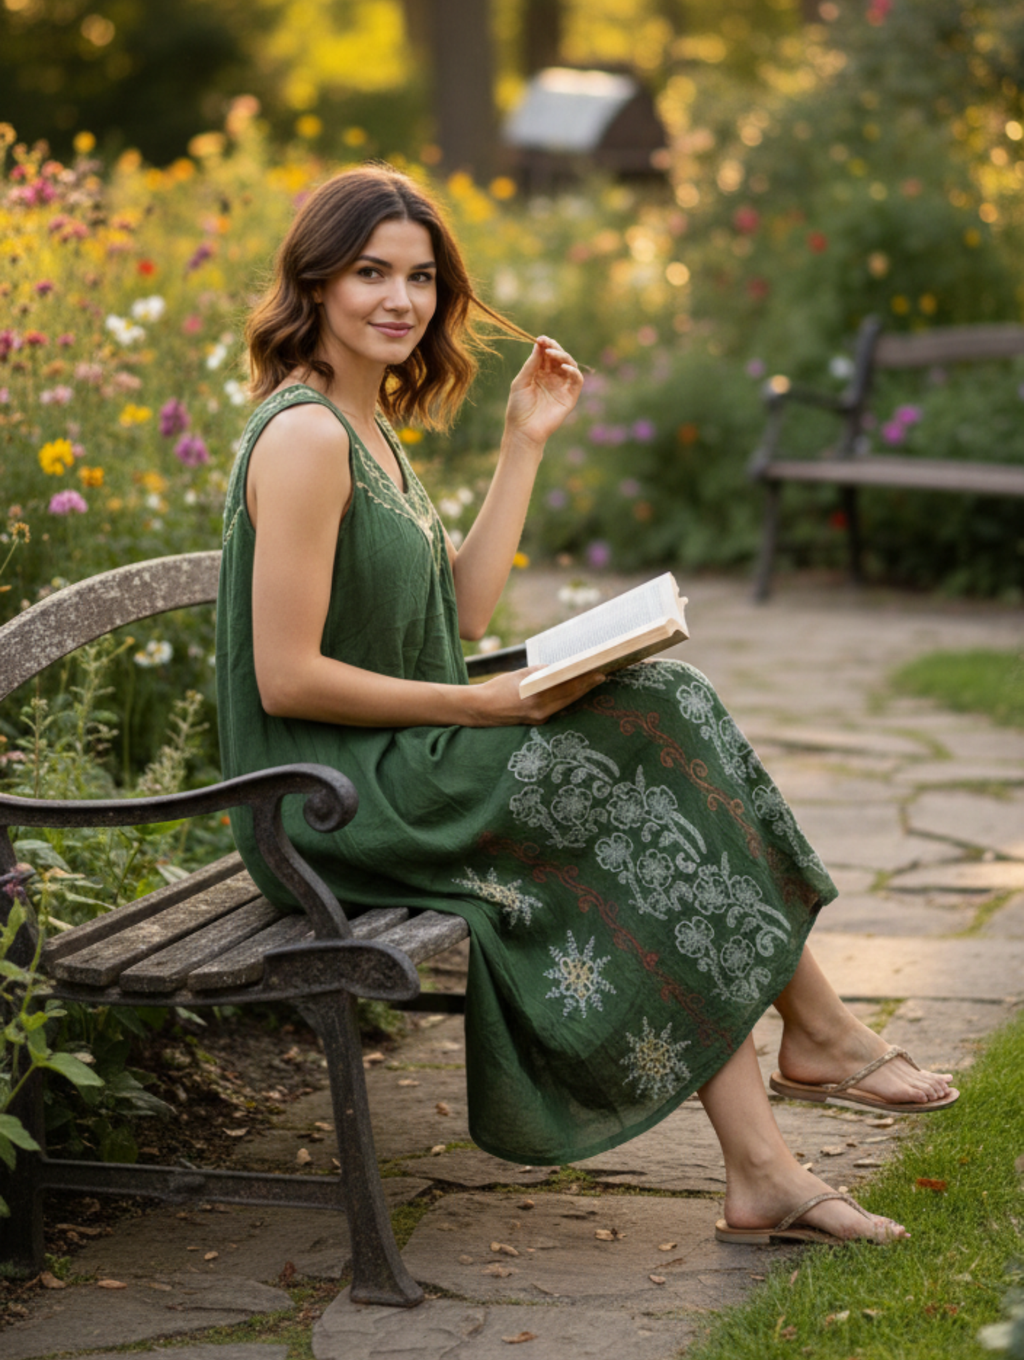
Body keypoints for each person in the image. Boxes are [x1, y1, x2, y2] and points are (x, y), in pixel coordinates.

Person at [216, 164, 957, 1248]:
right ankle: (816, 1047)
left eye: (420, 277)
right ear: (315, 281)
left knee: (662, 703)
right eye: (370, 272)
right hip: (326, 800)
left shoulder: (366, 428)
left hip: (391, 765)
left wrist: (525, 440)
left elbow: (458, 614)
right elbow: (286, 678)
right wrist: (494, 708)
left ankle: (770, 1150)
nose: (400, 299)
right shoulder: (303, 437)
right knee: (643, 743)